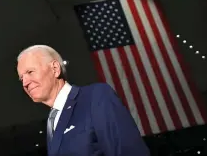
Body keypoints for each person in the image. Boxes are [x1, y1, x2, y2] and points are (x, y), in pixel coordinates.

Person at [17, 45, 150, 156]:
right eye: (21, 78)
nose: (25, 83)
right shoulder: (52, 121)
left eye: (30, 72)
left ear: (55, 69)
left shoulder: (95, 97)